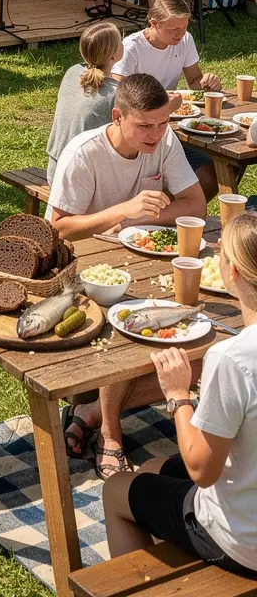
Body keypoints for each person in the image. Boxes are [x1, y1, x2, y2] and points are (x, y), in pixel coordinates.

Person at [47, 72, 207, 478]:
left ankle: (90, 413)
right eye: (145, 126)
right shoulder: (84, 153)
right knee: (128, 327)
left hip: (140, 261)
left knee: (204, 349)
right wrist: (122, 211)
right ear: (117, 117)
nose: (156, 134)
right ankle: (111, 435)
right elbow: (59, 230)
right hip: (84, 271)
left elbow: (196, 205)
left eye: (163, 123)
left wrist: (138, 221)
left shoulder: (164, 140)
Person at [103, 210, 257, 580]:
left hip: (244, 541)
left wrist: (178, 396)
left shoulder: (232, 358)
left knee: (115, 489)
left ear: (232, 273)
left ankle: (144, 587)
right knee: (151, 470)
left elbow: (202, 470)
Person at [114, 0, 221, 202]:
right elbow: (117, 93)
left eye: (184, 27)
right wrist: (161, 105)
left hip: (171, 125)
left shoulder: (185, 40)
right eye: (174, 29)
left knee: (212, 171)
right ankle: (153, 209)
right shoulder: (132, 48)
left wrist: (207, 82)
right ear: (154, 23)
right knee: (206, 169)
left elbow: (194, 80)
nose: (181, 34)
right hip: (144, 128)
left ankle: (168, 211)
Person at [46, 21, 122, 180]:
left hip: (55, 169)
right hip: (79, 177)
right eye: (120, 42)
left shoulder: (72, 72)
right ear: (112, 55)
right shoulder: (115, 94)